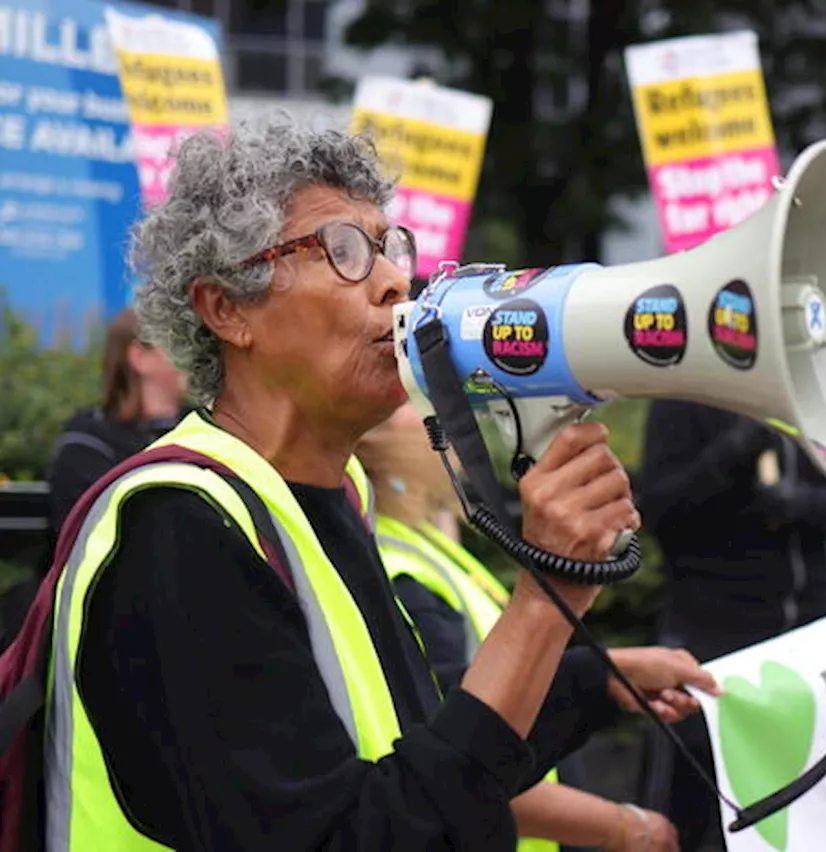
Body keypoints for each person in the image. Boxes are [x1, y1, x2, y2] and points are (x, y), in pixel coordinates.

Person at [40, 119, 708, 851]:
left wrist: (587, 686)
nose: (396, 279)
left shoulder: (323, 498)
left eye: (392, 247)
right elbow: (358, 835)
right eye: (343, 251)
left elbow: (415, 755)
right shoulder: (177, 528)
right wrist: (544, 604)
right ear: (226, 308)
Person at [355, 401, 702, 851]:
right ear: (372, 444)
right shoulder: (403, 576)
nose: (432, 410)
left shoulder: (420, 548)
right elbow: (459, 757)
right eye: (402, 404)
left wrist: (603, 678)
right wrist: (622, 827)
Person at [638, 401, 826, 850]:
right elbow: (660, 511)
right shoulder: (682, 399)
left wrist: (797, 504)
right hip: (710, 645)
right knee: (682, 812)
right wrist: (731, 454)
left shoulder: (806, 398)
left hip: (802, 646)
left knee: (796, 809)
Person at [44, 306, 187, 536]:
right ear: (140, 357)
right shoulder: (87, 443)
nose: (192, 356)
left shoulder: (204, 427)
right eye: (178, 345)